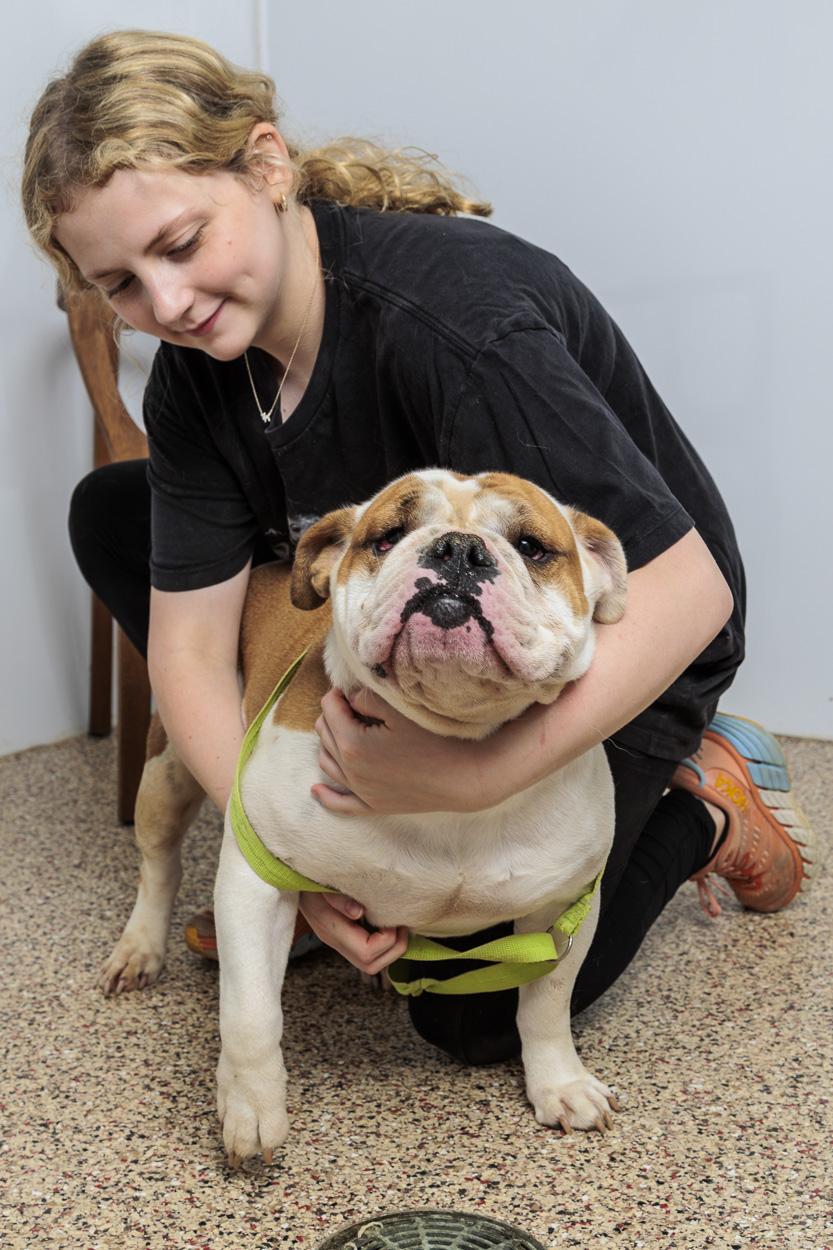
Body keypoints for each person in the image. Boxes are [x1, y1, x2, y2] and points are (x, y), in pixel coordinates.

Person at [22, 29, 815, 1065]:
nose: (163, 304)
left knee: (470, 1016)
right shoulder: (193, 375)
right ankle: (334, 827)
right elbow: (183, 649)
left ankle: (702, 798)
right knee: (111, 509)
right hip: (386, 620)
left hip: (635, 629)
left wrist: (475, 780)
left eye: (179, 245)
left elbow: (693, 589)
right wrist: (288, 859)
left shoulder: (455, 323)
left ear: (266, 166)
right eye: (119, 284)